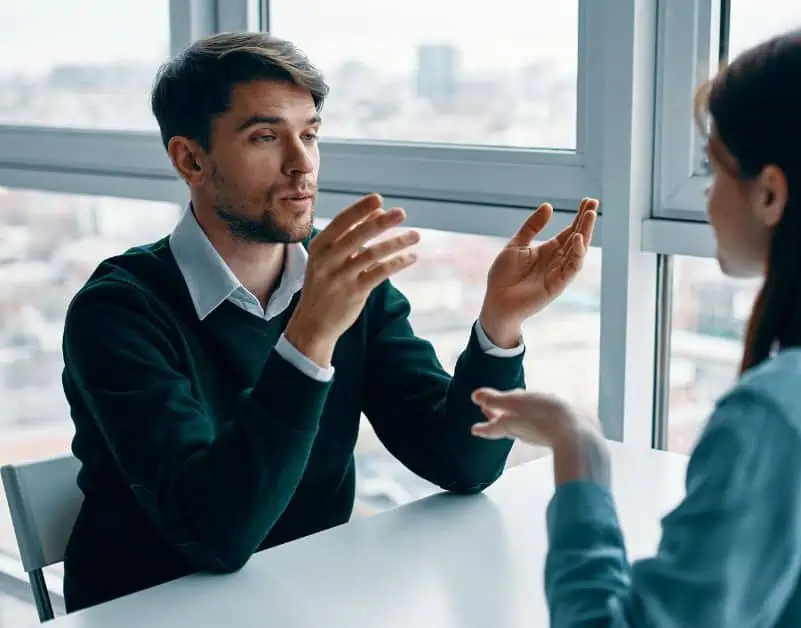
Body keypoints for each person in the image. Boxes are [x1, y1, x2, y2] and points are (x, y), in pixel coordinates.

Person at [60, 31, 598, 611]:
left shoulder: (345, 279)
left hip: (309, 599)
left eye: (310, 134)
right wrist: (310, 336)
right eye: (266, 136)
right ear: (191, 159)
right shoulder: (116, 311)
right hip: (149, 612)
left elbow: (461, 462)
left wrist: (500, 324)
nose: (301, 164)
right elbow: (215, 533)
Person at [471, 19, 801, 628]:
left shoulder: (784, 416)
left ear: (771, 194)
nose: (707, 199)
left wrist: (577, 450)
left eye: (716, 171)